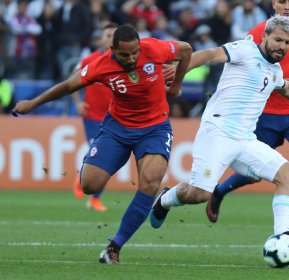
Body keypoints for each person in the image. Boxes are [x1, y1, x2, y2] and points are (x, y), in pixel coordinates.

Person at [149, 15, 289, 250]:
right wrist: (181, 68)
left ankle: (283, 236)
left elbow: (287, 89)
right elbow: (209, 55)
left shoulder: (275, 69)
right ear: (265, 36)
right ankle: (165, 200)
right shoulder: (244, 49)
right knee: (198, 195)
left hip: (245, 139)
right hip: (217, 132)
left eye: (287, 43)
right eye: (278, 40)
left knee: (287, 176)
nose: (282, 47)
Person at [13, 24, 192, 264]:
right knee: (89, 184)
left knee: (149, 182)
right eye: (124, 54)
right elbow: (68, 86)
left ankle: (114, 246)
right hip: (117, 129)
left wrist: (177, 84)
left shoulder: (154, 49)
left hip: (155, 128)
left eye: (135, 53)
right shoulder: (100, 66)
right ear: (112, 50)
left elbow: (186, 49)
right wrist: (33, 104)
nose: (131, 58)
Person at [208, 0, 289, 247]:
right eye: (281, 1)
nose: (286, 6)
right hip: (264, 112)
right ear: (273, 3)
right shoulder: (258, 32)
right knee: (255, 173)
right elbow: (238, 65)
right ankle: (220, 190)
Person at [71, 22, 118, 211]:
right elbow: (71, 81)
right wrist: (77, 102)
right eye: (107, 35)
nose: (110, 39)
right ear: (100, 38)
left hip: (114, 116)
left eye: (114, 36)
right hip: (92, 115)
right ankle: (83, 175)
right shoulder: (89, 59)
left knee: (109, 158)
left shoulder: (123, 61)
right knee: (97, 150)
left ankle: (94, 199)